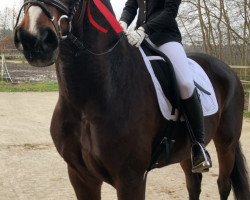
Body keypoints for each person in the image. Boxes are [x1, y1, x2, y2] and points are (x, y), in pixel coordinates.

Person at [119, 0, 212, 173]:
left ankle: (198, 146)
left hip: (165, 38)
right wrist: (122, 23)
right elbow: (131, 7)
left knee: (184, 83)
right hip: (139, 41)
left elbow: (170, 12)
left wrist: (143, 30)